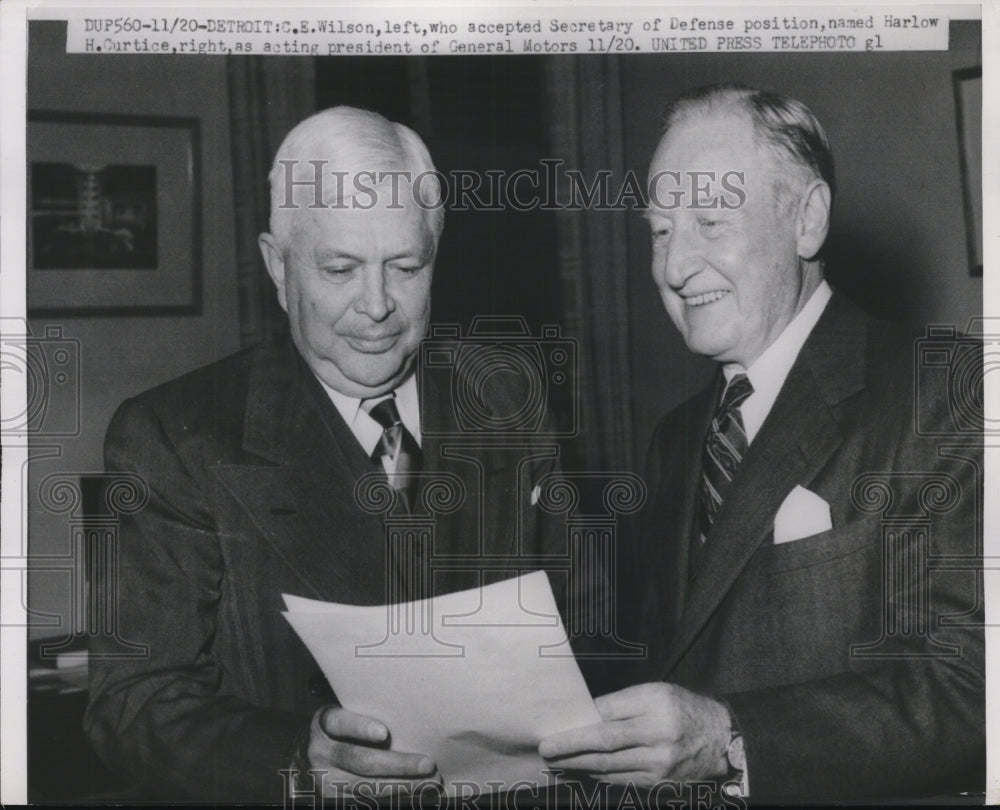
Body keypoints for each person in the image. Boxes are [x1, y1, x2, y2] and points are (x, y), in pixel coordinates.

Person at [84, 106, 566, 802]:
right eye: (340, 268)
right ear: (278, 267)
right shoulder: (175, 434)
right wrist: (301, 770)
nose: (376, 306)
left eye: (405, 266)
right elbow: (132, 705)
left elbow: (580, 631)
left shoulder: (505, 400)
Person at [539, 84, 984, 800]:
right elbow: (674, 665)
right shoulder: (677, 440)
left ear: (807, 220)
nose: (675, 267)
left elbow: (972, 686)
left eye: (711, 220)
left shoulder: (947, 392)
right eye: (659, 230)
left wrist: (729, 740)